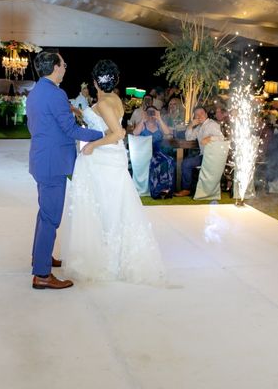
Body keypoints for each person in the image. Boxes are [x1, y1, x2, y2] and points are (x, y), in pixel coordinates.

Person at [62, 60, 165, 285]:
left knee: (105, 207)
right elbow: (104, 125)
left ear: (95, 82)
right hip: (113, 158)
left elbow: (117, 133)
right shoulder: (114, 99)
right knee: (114, 206)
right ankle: (114, 255)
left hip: (104, 160)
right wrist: (79, 112)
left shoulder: (104, 103)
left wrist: (92, 146)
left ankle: (108, 259)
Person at [26, 51, 104, 290]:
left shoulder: (35, 92)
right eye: (63, 64)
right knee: (51, 217)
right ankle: (42, 274)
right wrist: (102, 135)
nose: (65, 68)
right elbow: (71, 130)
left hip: (41, 159)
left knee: (44, 213)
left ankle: (40, 257)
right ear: (55, 68)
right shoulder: (56, 94)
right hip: (53, 163)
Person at [173, 106, 224, 197]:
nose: (199, 116)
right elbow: (189, 138)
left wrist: (210, 138)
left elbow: (221, 138)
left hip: (212, 157)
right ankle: (187, 189)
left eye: (201, 113)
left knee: (186, 163)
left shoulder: (212, 124)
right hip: (203, 155)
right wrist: (191, 125)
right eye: (196, 114)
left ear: (206, 114)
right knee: (186, 163)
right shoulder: (199, 127)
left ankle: (187, 188)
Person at [132, 105, 175, 198]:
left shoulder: (159, 124)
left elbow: (167, 132)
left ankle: (166, 189)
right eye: (149, 112)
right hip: (144, 152)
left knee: (169, 160)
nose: (151, 114)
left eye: (153, 112)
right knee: (159, 162)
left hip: (158, 151)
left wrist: (159, 119)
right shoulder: (143, 125)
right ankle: (157, 190)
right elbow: (135, 133)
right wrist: (143, 119)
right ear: (145, 113)